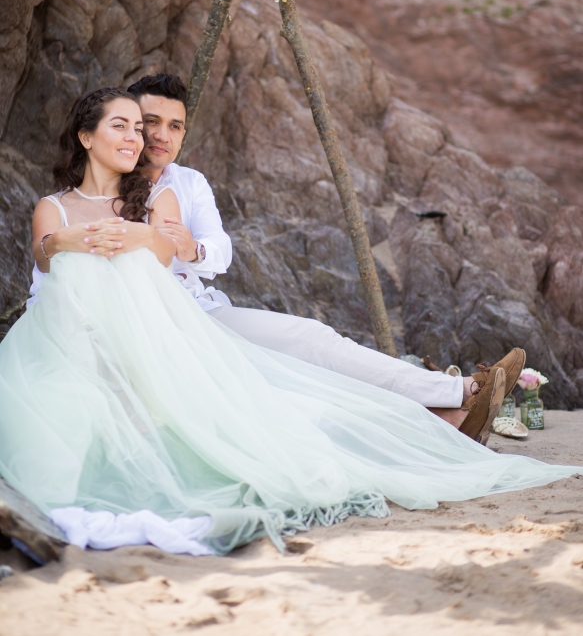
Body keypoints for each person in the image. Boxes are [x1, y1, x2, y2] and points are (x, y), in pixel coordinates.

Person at [4, 86, 581, 558]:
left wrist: (175, 244)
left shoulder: (177, 187)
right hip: (94, 330)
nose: (149, 136)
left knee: (308, 348)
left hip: (190, 318)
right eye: (135, 124)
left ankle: (456, 396)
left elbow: (208, 250)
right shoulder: (60, 207)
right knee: (286, 398)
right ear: (89, 135)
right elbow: (46, 258)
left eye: (165, 126)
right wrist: (71, 241)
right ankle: (446, 411)